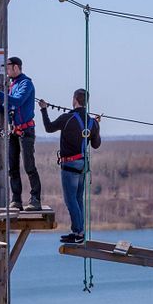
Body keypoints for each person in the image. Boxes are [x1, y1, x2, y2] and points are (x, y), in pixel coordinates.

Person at [39, 89, 101, 244]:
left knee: (70, 200)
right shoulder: (92, 122)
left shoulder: (67, 118)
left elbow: (49, 127)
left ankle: (78, 232)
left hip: (70, 164)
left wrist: (43, 109)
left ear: (75, 100)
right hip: (82, 165)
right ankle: (79, 231)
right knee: (78, 199)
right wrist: (96, 128)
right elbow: (96, 144)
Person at [0, 57, 42, 211]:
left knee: (29, 165)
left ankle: (35, 199)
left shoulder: (26, 84)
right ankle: (16, 200)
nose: (6, 71)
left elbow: (17, 101)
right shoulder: (12, 85)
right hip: (13, 130)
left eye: (8, 68)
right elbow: (9, 110)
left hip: (25, 130)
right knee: (13, 167)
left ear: (16, 67)